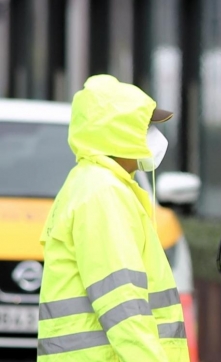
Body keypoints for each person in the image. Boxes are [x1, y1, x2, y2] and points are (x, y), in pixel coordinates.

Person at [37, 75, 189, 362]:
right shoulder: (102, 193)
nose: (153, 136)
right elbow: (123, 304)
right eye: (145, 127)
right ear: (118, 133)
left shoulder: (93, 185)